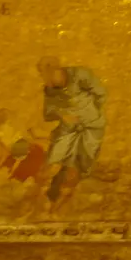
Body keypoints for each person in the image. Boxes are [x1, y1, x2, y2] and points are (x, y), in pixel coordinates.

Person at [34, 58, 106, 215]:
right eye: (43, 76)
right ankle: (41, 206)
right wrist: (61, 114)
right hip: (68, 129)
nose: (47, 81)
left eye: (48, 75)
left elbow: (100, 94)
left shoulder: (80, 75)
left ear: (57, 70)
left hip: (91, 128)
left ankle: (57, 209)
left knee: (76, 169)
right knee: (52, 164)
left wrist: (89, 114)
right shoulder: (50, 88)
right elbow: (48, 113)